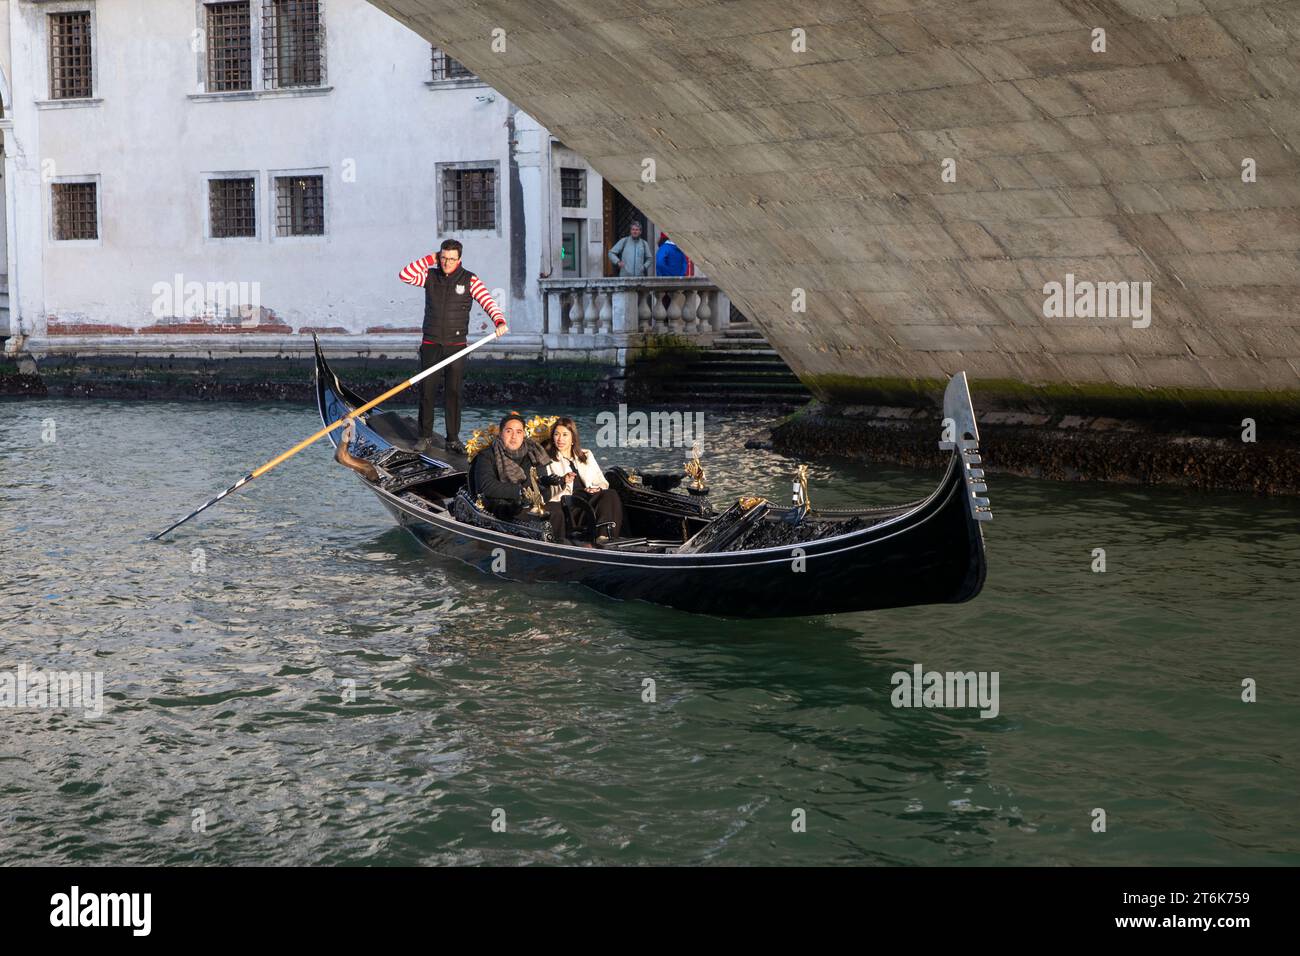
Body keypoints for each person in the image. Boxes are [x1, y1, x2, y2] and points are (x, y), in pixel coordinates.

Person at [398, 239, 508, 455]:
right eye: (443, 258)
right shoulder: (429, 276)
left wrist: (499, 321)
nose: (446, 263)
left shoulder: (469, 280)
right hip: (431, 343)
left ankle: (453, 439)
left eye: (451, 259)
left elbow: (488, 301)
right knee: (427, 392)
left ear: (459, 259)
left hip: (457, 346)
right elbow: (405, 274)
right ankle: (424, 436)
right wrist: (430, 258)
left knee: (453, 393)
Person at [470, 412, 569, 541]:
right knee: (520, 512)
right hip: (502, 505)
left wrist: (546, 483)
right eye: (509, 431)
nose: (514, 437)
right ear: (501, 434)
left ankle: (558, 546)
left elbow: (540, 488)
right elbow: (486, 487)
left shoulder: (534, 453)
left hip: (530, 504)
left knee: (557, 510)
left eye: (518, 432)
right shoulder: (487, 455)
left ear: (523, 435)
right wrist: (520, 492)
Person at [544, 417, 623, 543]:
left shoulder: (586, 455)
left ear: (572, 438)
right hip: (569, 503)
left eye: (565, 434)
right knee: (606, 496)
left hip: (588, 497)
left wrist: (596, 488)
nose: (560, 439)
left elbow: (602, 482)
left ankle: (604, 537)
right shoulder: (548, 459)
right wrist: (564, 481)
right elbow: (548, 488)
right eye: (556, 434)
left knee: (610, 494)